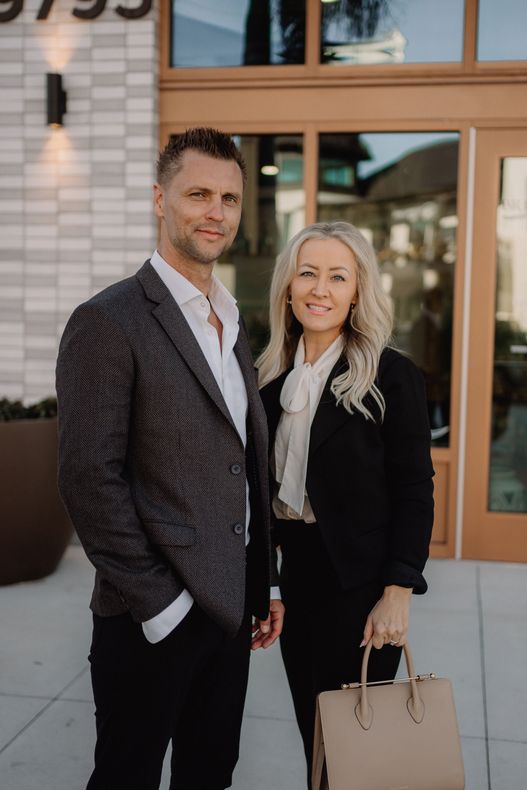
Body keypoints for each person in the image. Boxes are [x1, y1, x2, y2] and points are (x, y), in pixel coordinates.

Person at [56, 127, 284, 790]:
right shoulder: (109, 320)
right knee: (127, 776)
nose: (216, 211)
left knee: (210, 772)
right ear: (161, 200)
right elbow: (87, 479)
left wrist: (263, 581)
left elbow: (244, 460)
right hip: (151, 614)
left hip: (233, 604)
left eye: (230, 199)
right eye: (198, 194)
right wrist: (161, 604)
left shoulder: (231, 318)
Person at [257, 221, 434, 786]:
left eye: (338, 276)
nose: (320, 289)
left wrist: (398, 591)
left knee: (357, 750)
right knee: (316, 737)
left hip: (361, 587)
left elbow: (414, 489)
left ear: (358, 291)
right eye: (307, 273)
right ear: (288, 287)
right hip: (299, 577)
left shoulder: (390, 376)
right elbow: (259, 498)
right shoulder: (267, 380)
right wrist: (270, 583)